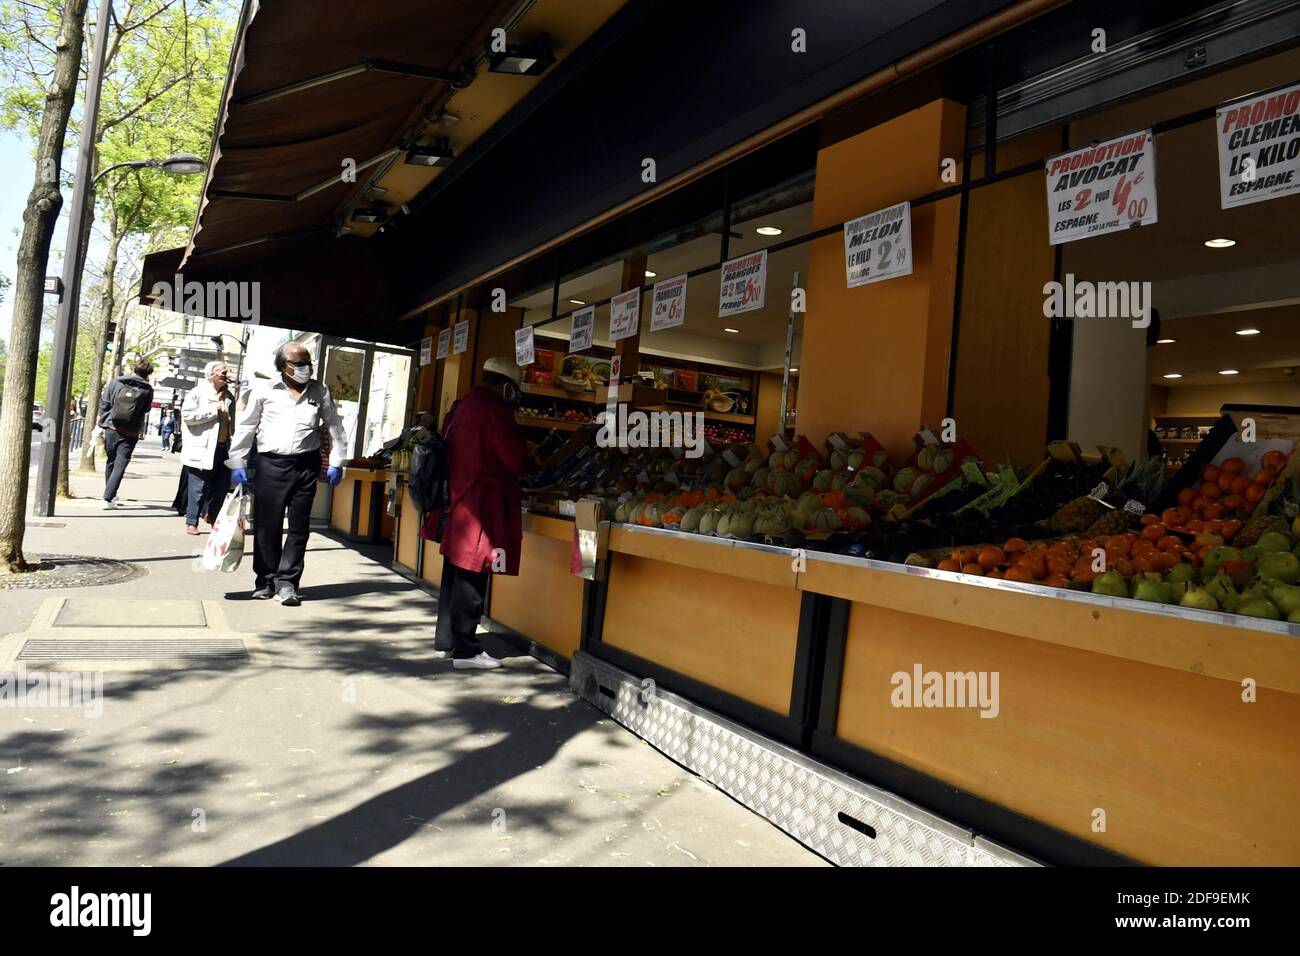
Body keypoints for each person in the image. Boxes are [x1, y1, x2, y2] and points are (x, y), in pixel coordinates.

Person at [226, 343, 346, 605]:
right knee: (267, 526)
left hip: (306, 464)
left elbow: (335, 426)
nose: (306, 368)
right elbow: (246, 427)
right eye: (299, 363)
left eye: (307, 362)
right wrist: (237, 462)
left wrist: (337, 461)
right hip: (272, 464)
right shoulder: (264, 390)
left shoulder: (320, 390)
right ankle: (265, 581)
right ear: (283, 367)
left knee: (299, 528)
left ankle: (288, 583)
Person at [434, 356, 528, 670]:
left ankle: (447, 642)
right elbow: (513, 459)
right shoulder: (496, 411)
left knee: (455, 573)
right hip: (483, 502)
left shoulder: (461, 406)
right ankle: (467, 651)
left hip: (460, 498)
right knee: (473, 574)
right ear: (506, 386)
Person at [180, 361, 235, 535]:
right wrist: (213, 410)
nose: (226, 376)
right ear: (211, 375)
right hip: (202, 448)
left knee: (221, 487)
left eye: (227, 373)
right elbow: (188, 416)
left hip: (222, 448)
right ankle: (191, 521)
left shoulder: (229, 396)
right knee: (198, 488)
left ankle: (212, 517)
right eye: (222, 373)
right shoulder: (197, 393)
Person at [97, 359, 154, 509]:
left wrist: (103, 420)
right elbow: (146, 409)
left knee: (111, 461)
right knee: (120, 465)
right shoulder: (147, 389)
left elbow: (105, 402)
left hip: (111, 427)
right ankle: (108, 497)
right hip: (130, 431)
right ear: (148, 373)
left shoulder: (116, 382)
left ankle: (109, 495)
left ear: (134, 369)